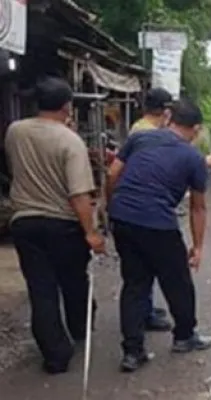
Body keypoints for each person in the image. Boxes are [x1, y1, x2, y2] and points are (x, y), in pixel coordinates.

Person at [5, 77, 105, 374]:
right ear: (67, 106)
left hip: (24, 222)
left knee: (42, 289)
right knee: (74, 281)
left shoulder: (15, 130)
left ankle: (55, 355)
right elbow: (79, 194)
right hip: (62, 224)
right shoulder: (70, 141)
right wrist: (91, 233)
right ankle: (79, 329)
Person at [106, 98, 211, 372]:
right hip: (158, 224)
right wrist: (198, 247)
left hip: (123, 219)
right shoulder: (193, 158)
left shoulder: (140, 139)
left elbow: (113, 172)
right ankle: (185, 336)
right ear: (196, 128)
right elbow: (198, 207)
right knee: (178, 282)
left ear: (168, 118)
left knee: (135, 284)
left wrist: (111, 206)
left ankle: (132, 352)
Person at [128, 87, 174, 332]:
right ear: (165, 111)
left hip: (134, 208)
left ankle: (144, 310)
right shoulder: (147, 133)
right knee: (143, 272)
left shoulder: (143, 129)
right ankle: (142, 316)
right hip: (145, 210)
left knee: (141, 272)